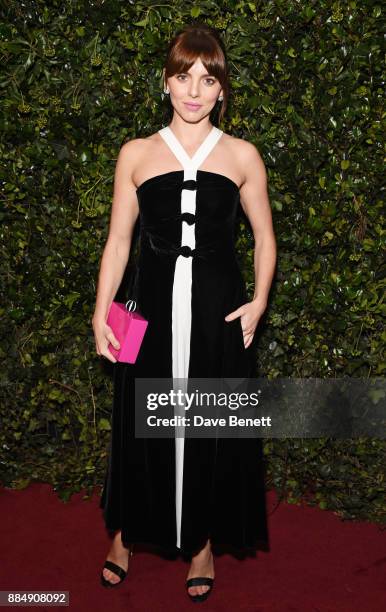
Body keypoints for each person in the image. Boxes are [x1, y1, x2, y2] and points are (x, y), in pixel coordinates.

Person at [92, 22, 276, 603]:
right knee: (137, 429)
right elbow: (119, 242)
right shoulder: (136, 153)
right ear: (166, 83)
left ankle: (201, 545)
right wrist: (101, 313)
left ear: (222, 89)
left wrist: (260, 301)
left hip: (217, 318)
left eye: (207, 78)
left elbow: (266, 239)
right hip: (147, 315)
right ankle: (123, 536)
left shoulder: (242, 155)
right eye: (182, 76)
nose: (194, 90)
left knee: (209, 430)